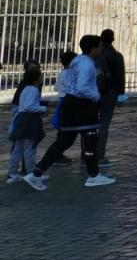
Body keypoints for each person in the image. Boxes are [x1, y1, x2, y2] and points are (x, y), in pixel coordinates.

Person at [24, 35, 114, 190]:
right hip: (82, 105)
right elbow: (82, 87)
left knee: (64, 141)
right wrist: (96, 96)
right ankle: (93, 176)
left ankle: (36, 173)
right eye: (99, 46)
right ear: (92, 48)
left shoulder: (77, 62)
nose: (101, 49)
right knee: (91, 138)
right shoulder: (86, 65)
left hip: (70, 103)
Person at [8, 61, 46, 183]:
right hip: (29, 121)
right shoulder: (33, 90)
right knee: (30, 149)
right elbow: (28, 106)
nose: (42, 78)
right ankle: (32, 173)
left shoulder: (25, 89)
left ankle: (13, 174)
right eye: (40, 76)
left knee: (17, 149)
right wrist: (43, 108)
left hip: (21, 120)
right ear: (35, 79)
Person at [95, 27, 125, 168]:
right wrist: (121, 95)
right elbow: (120, 77)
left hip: (93, 92)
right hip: (110, 93)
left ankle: (87, 154)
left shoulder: (95, 55)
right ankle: (99, 155)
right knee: (104, 124)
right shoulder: (116, 56)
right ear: (112, 39)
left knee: (90, 124)